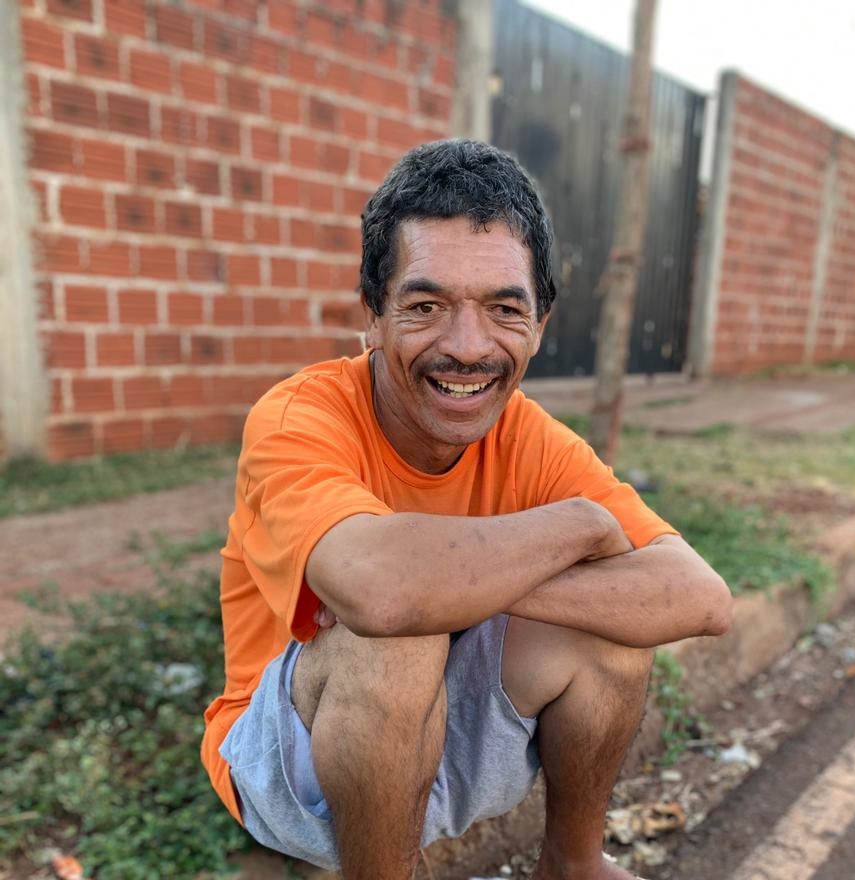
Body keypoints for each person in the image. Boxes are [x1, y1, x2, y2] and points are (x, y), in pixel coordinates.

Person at [201, 139, 732, 880]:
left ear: (540, 324)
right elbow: (383, 592)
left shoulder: (533, 438)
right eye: (425, 306)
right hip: (293, 772)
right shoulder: (300, 416)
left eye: (503, 309)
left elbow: (700, 597)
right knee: (395, 633)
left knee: (610, 631)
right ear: (373, 318)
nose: (467, 346)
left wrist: (467, 588)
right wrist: (577, 527)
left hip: (447, 738)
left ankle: (572, 866)